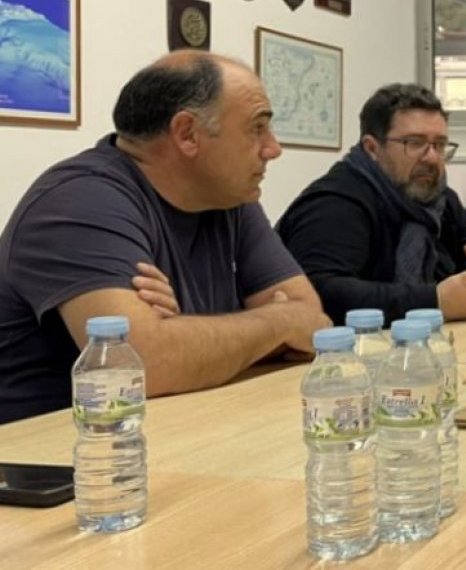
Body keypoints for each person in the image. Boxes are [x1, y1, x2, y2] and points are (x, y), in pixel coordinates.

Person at [0, 51, 331, 424]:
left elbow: (311, 322)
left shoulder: (228, 198)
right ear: (187, 133)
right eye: (257, 128)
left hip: (171, 428)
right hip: (45, 459)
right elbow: (144, 366)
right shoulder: (81, 199)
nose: (273, 148)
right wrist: (276, 321)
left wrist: (184, 333)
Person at [276, 83, 466, 323]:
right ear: (372, 148)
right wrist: (432, 301)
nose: (431, 157)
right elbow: (322, 292)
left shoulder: (442, 201)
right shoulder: (335, 202)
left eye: (439, 145)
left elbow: (460, 291)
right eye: (415, 143)